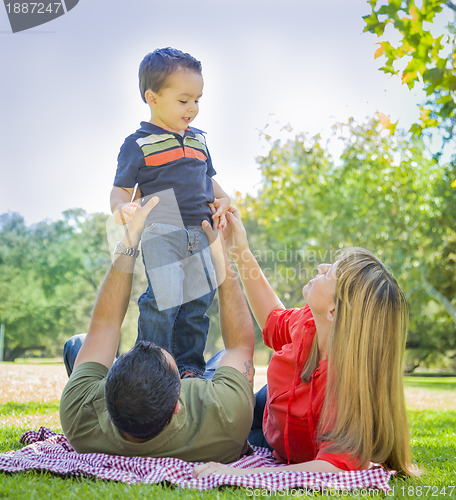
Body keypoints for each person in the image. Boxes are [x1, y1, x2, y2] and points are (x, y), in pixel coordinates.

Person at [193, 207, 415, 477]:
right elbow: (272, 319)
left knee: (217, 413)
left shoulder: (345, 391)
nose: (320, 267)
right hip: (271, 410)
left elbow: (332, 468)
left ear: (333, 311)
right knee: (222, 366)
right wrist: (240, 251)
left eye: (328, 273)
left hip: (274, 438)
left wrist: (240, 474)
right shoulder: (309, 321)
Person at [59, 197, 255, 463]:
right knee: (223, 358)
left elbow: (104, 326)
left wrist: (129, 241)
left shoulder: (80, 416)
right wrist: (221, 258)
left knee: (77, 344)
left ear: (105, 389)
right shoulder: (226, 417)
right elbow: (240, 345)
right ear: (178, 403)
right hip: (205, 403)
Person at [110, 47, 230, 379]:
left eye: (197, 99)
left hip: (202, 229)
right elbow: (120, 190)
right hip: (163, 227)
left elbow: (209, 180)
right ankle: (152, 365)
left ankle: (189, 366)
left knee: (197, 304)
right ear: (153, 97)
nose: (192, 108)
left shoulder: (199, 141)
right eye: (184, 100)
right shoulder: (138, 144)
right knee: (165, 297)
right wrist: (122, 208)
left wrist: (226, 200)